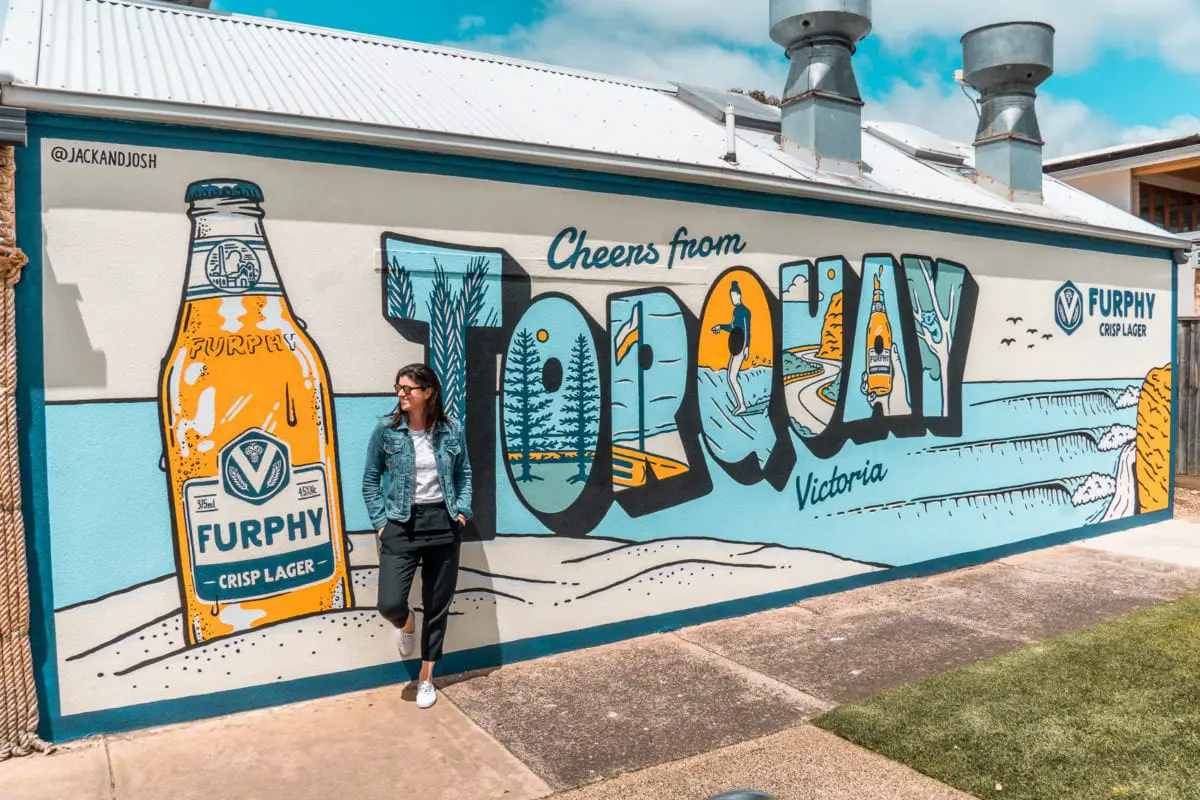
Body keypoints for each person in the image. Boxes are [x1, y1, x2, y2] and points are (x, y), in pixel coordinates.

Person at [362, 363, 472, 709]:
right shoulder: (387, 430)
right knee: (390, 602)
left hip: (443, 522)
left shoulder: (451, 429)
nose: (400, 394)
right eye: (398, 388)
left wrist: (463, 510)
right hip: (401, 523)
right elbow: (370, 479)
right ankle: (406, 621)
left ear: (428, 392)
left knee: (438, 606)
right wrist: (381, 522)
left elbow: (464, 472)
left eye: (407, 389)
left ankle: (426, 678)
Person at [710, 280, 752, 414]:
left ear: (740, 295)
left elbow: (747, 330)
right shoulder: (736, 310)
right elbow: (732, 327)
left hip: (740, 347)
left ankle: (742, 405)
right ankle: (741, 404)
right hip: (735, 346)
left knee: (732, 377)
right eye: (731, 296)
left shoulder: (745, 311)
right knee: (730, 377)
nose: (733, 299)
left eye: (734, 296)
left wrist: (747, 347)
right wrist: (720, 327)